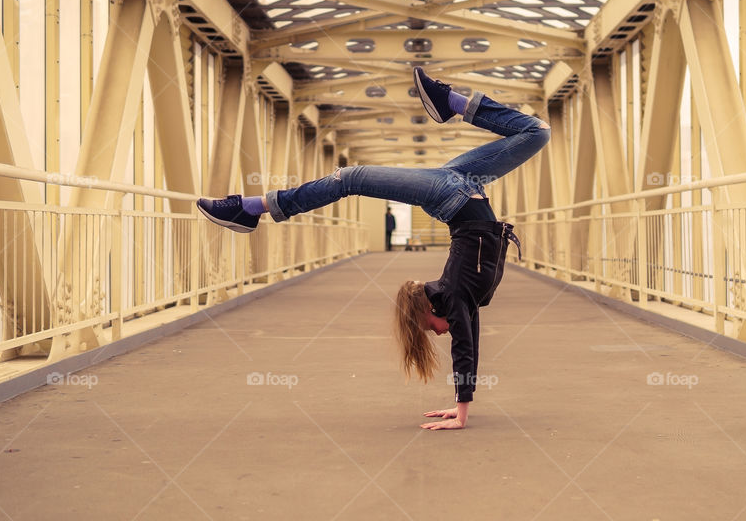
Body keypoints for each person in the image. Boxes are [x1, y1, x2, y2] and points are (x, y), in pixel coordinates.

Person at [196, 67, 550, 430]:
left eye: (430, 327)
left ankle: (252, 208)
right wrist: (461, 406)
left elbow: (463, 347)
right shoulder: (460, 300)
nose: (441, 332)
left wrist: (461, 413)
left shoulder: (455, 294)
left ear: (427, 308)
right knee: (537, 132)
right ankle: (449, 103)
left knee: (349, 178)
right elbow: (469, 342)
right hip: (465, 187)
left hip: (451, 193)